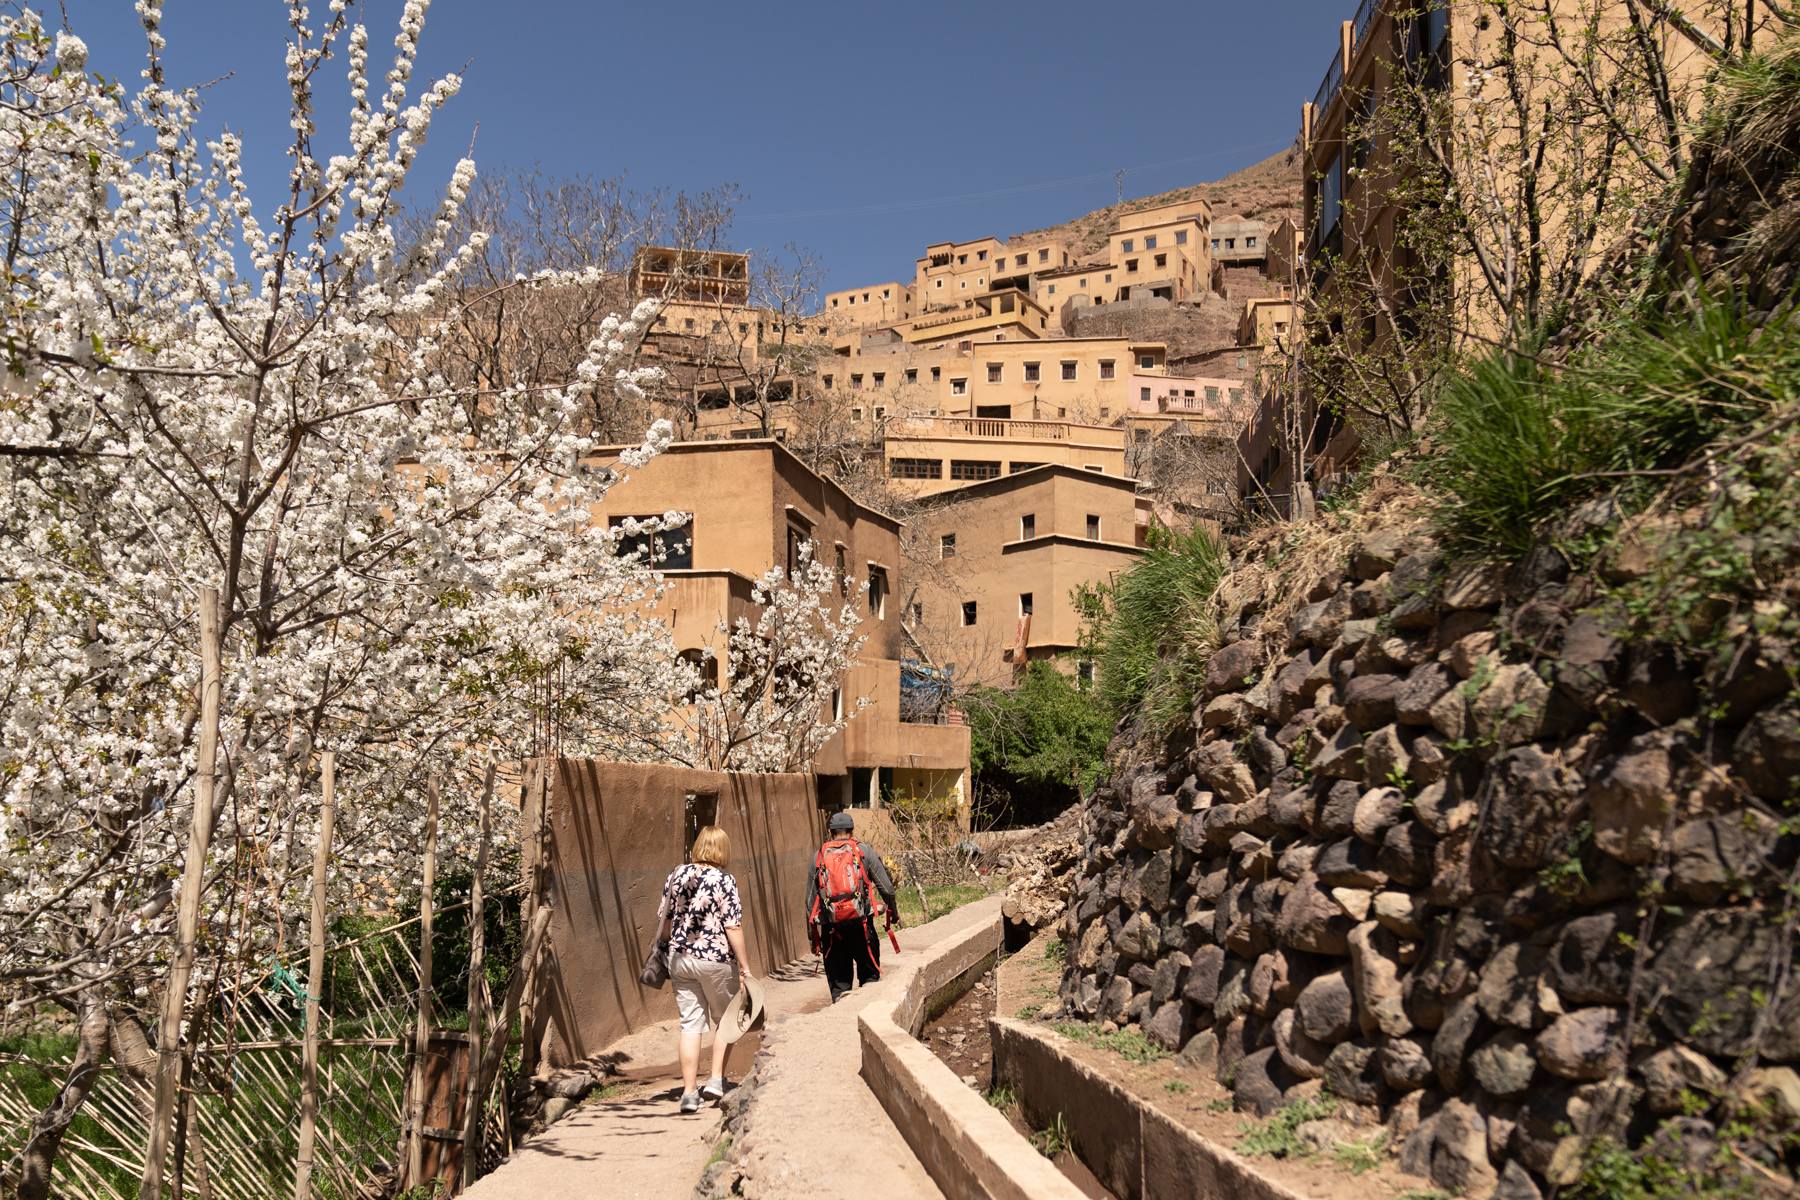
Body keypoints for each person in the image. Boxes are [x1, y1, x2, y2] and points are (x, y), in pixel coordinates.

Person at [656, 825, 753, 1114]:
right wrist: (745, 968)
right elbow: (732, 926)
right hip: (715, 960)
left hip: (680, 959)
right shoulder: (725, 880)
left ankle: (688, 1094)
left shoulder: (676, 874)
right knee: (727, 1019)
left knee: (690, 1024)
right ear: (723, 849)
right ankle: (715, 1080)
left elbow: (664, 925)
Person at [806, 810, 899, 1003]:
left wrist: (814, 939)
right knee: (870, 981)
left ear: (830, 833)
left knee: (840, 990)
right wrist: (894, 913)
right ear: (852, 831)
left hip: (832, 934)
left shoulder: (818, 857)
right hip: (863, 929)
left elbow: (809, 904)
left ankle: (842, 1028)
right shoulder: (863, 852)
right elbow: (887, 889)